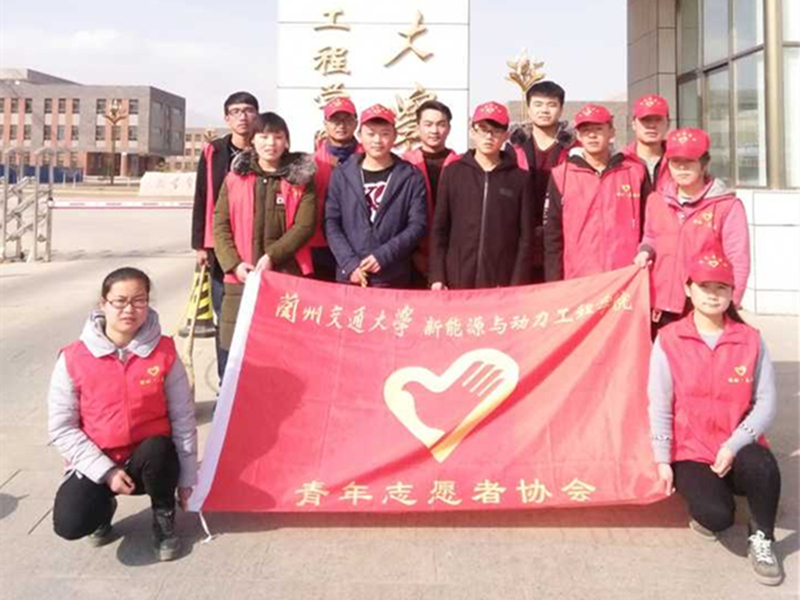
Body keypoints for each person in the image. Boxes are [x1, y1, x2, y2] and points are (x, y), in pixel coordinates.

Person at [648, 248, 783, 586]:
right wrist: (663, 459)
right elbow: (660, 404)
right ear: (688, 289)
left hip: (737, 447)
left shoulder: (750, 340)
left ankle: (762, 537)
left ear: (732, 292)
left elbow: (766, 402)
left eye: (721, 287)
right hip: (691, 451)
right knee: (716, 516)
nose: (712, 294)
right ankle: (710, 499)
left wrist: (734, 445)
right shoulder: (669, 340)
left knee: (763, 465)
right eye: (704, 286)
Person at [48, 267, 198, 561]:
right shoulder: (73, 357)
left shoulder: (164, 352)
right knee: (70, 524)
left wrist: (187, 478)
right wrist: (106, 472)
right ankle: (102, 509)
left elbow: (183, 418)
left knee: (159, 448)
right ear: (103, 304)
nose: (129, 309)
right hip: (96, 459)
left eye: (139, 301)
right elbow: (62, 428)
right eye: (120, 301)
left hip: (149, 460)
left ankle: (163, 516)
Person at [213, 112, 316, 352]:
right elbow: (220, 224)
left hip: (286, 274)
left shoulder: (301, 180)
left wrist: (272, 256)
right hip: (242, 276)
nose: (271, 143)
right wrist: (233, 264)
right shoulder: (235, 178)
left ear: (286, 141)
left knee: (284, 349)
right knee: (237, 351)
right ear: (252, 140)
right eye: (263, 136)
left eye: (278, 137)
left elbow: (305, 225)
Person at [634, 128, 750, 331]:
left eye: (689, 161)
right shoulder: (656, 200)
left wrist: (731, 304)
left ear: (704, 163)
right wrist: (645, 252)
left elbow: (738, 258)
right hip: (661, 303)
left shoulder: (726, 206)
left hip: (704, 305)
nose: (682, 168)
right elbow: (651, 237)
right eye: (675, 161)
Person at [191, 91, 259, 382]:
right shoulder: (214, 151)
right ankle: (227, 383)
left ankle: (255, 382)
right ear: (226, 118)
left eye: (248, 110)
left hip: (257, 244)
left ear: (257, 115)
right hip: (222, 245)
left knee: (260, 318)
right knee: (226, 316)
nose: (242, 117)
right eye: (235, 111)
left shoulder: (266, 146)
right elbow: (201, 195)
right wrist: (200, 245)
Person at [429, 101, 534, 290]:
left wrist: (517, 282)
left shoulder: (519, 178)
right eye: (483, 129)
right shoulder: (453, 173)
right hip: (457, 278)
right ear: (473, 131)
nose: (489, 136)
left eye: (496, 131)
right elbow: (439, 230)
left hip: (501, 282)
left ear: (506, 136)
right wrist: (438, 276)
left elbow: (526, 238)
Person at [325, 103, 427, 288]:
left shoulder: (410, 176)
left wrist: (384, 255)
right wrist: (350, 264)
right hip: (349, 277)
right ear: (360, 135)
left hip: (392, 276)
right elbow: (331, 222)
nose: (377, 140)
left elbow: (417, 225)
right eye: (371, 134)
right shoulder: (342, 174)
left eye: (385, 134)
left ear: (395, 136)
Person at [543, 103, 647, 281]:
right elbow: (552, 235)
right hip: (579, 278)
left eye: (598, 129)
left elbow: (649, 226)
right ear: (578, 135)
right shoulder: (562, 175)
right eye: (586, 130)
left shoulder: (635, 172)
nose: (592, 135)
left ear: (612, 132)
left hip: (625, 276)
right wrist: (554, 282)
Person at [508, 81, 574, 282]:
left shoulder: (574, 150)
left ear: (561, 109)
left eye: (551, 105)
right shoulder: (512, 149)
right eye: (538, 104)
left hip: (562, 236)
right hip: (519, 236)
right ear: (528, 108)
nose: (544, 110)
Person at [403, 100, 460, 287]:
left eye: (441, 124)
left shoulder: (462, 166)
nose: (434, 130)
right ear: (418, 127)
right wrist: (413, 253)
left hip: (452, 257)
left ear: (449, 128)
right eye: (428, 124)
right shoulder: (404, 166)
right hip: (408, 258)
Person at [311, 97, 364, 281]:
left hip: (360, 245)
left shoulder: (370, 158)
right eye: (335, 120)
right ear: (325, 124)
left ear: (356, 123)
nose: (341, 125)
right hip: (320, 244)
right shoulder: (313, 163)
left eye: (347, 119)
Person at [622, 94, 672, 198]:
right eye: (645, 120)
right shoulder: (620, 164)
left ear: (668, 124)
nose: (652, 125)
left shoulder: (679, 162)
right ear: (633, 124)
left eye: (658, 120)